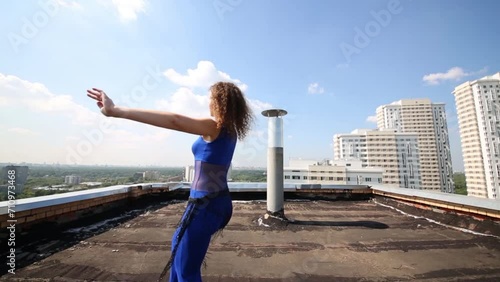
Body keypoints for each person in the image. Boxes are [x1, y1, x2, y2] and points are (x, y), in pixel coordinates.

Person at [86, 82, 254, 282]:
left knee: (186, 269)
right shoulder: (231, 131)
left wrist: (115, 111)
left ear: (219, 101)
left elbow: (174, 120)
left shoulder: (213, 126)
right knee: (179, 249)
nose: (208, 101)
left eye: (210, 97)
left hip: (204, 204)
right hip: (219, 202)